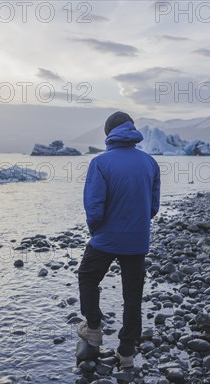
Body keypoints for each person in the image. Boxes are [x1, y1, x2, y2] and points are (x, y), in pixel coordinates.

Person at [77, 111, 161, 369]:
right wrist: (136, 224)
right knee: (133, 296)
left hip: (106, 238)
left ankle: (93, 328)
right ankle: (126, 353)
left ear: (108, 133)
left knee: (88, 277)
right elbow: (153, 207)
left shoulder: (101, 163)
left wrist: (96, 231)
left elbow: (94, 207)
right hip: (137, 240)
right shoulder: (150, 162)